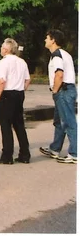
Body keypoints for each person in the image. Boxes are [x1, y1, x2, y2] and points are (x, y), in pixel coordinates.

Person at [40, 29, 77, 164]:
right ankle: (55, 148)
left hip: (64, 90)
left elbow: (59, 74)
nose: (45, 40)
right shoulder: (64, 54)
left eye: (47, 38)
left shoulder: (57, 55)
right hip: (66, 90)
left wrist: (55, 90)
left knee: (68, 122)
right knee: (59, 122)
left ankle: (74, 153)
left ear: (53, 40)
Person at [0, 38, 30, 164]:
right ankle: (25, 154)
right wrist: (20, 89)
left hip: (6, 94)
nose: (1, 49)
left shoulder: (3, 62)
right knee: (19, 124)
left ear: (6, 49)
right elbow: (27, 80)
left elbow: (1, 80)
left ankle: (7, 156)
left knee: (6, 125)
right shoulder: (22, 62)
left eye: (2, 47)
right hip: (19, 93)